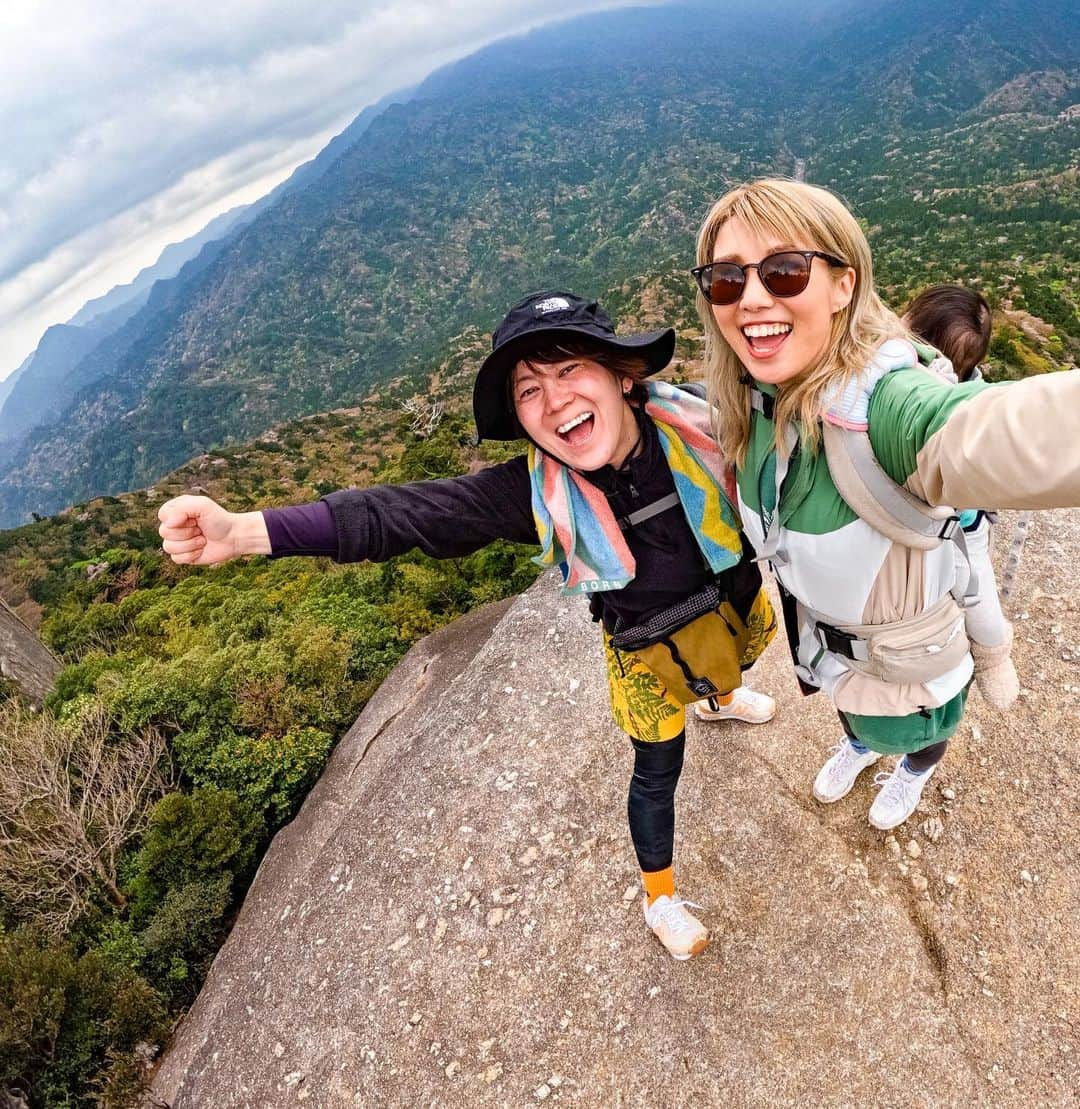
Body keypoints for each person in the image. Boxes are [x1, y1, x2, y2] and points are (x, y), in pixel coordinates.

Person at [158, 291, 777, 961]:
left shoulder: (709, 421)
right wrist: (246, 532)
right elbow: (398, 514)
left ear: (624, 373)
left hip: (727, 602)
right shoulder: (534, 493)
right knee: (656, 770)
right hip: (645, 648)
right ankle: (659, 896)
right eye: (530, 389)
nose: (556, 398)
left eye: (571, 368)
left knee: (727, 658)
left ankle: (717, 697)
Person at [692, 179, 1079, 830]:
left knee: (924, 730)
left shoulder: (886, 408)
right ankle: (859, 744)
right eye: (727, 279)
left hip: (918, 658)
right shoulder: (753, 404)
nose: (752, 296)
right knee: (854, 711)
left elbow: (1007, 431)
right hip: (832, 649)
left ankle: (914, 773)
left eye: (784, 270)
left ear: (844, 283)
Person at [903, 285, 1017, 710]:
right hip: (917, 517)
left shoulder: (967, 406)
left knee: (975, 587)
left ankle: (993, 655)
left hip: (958, 526)